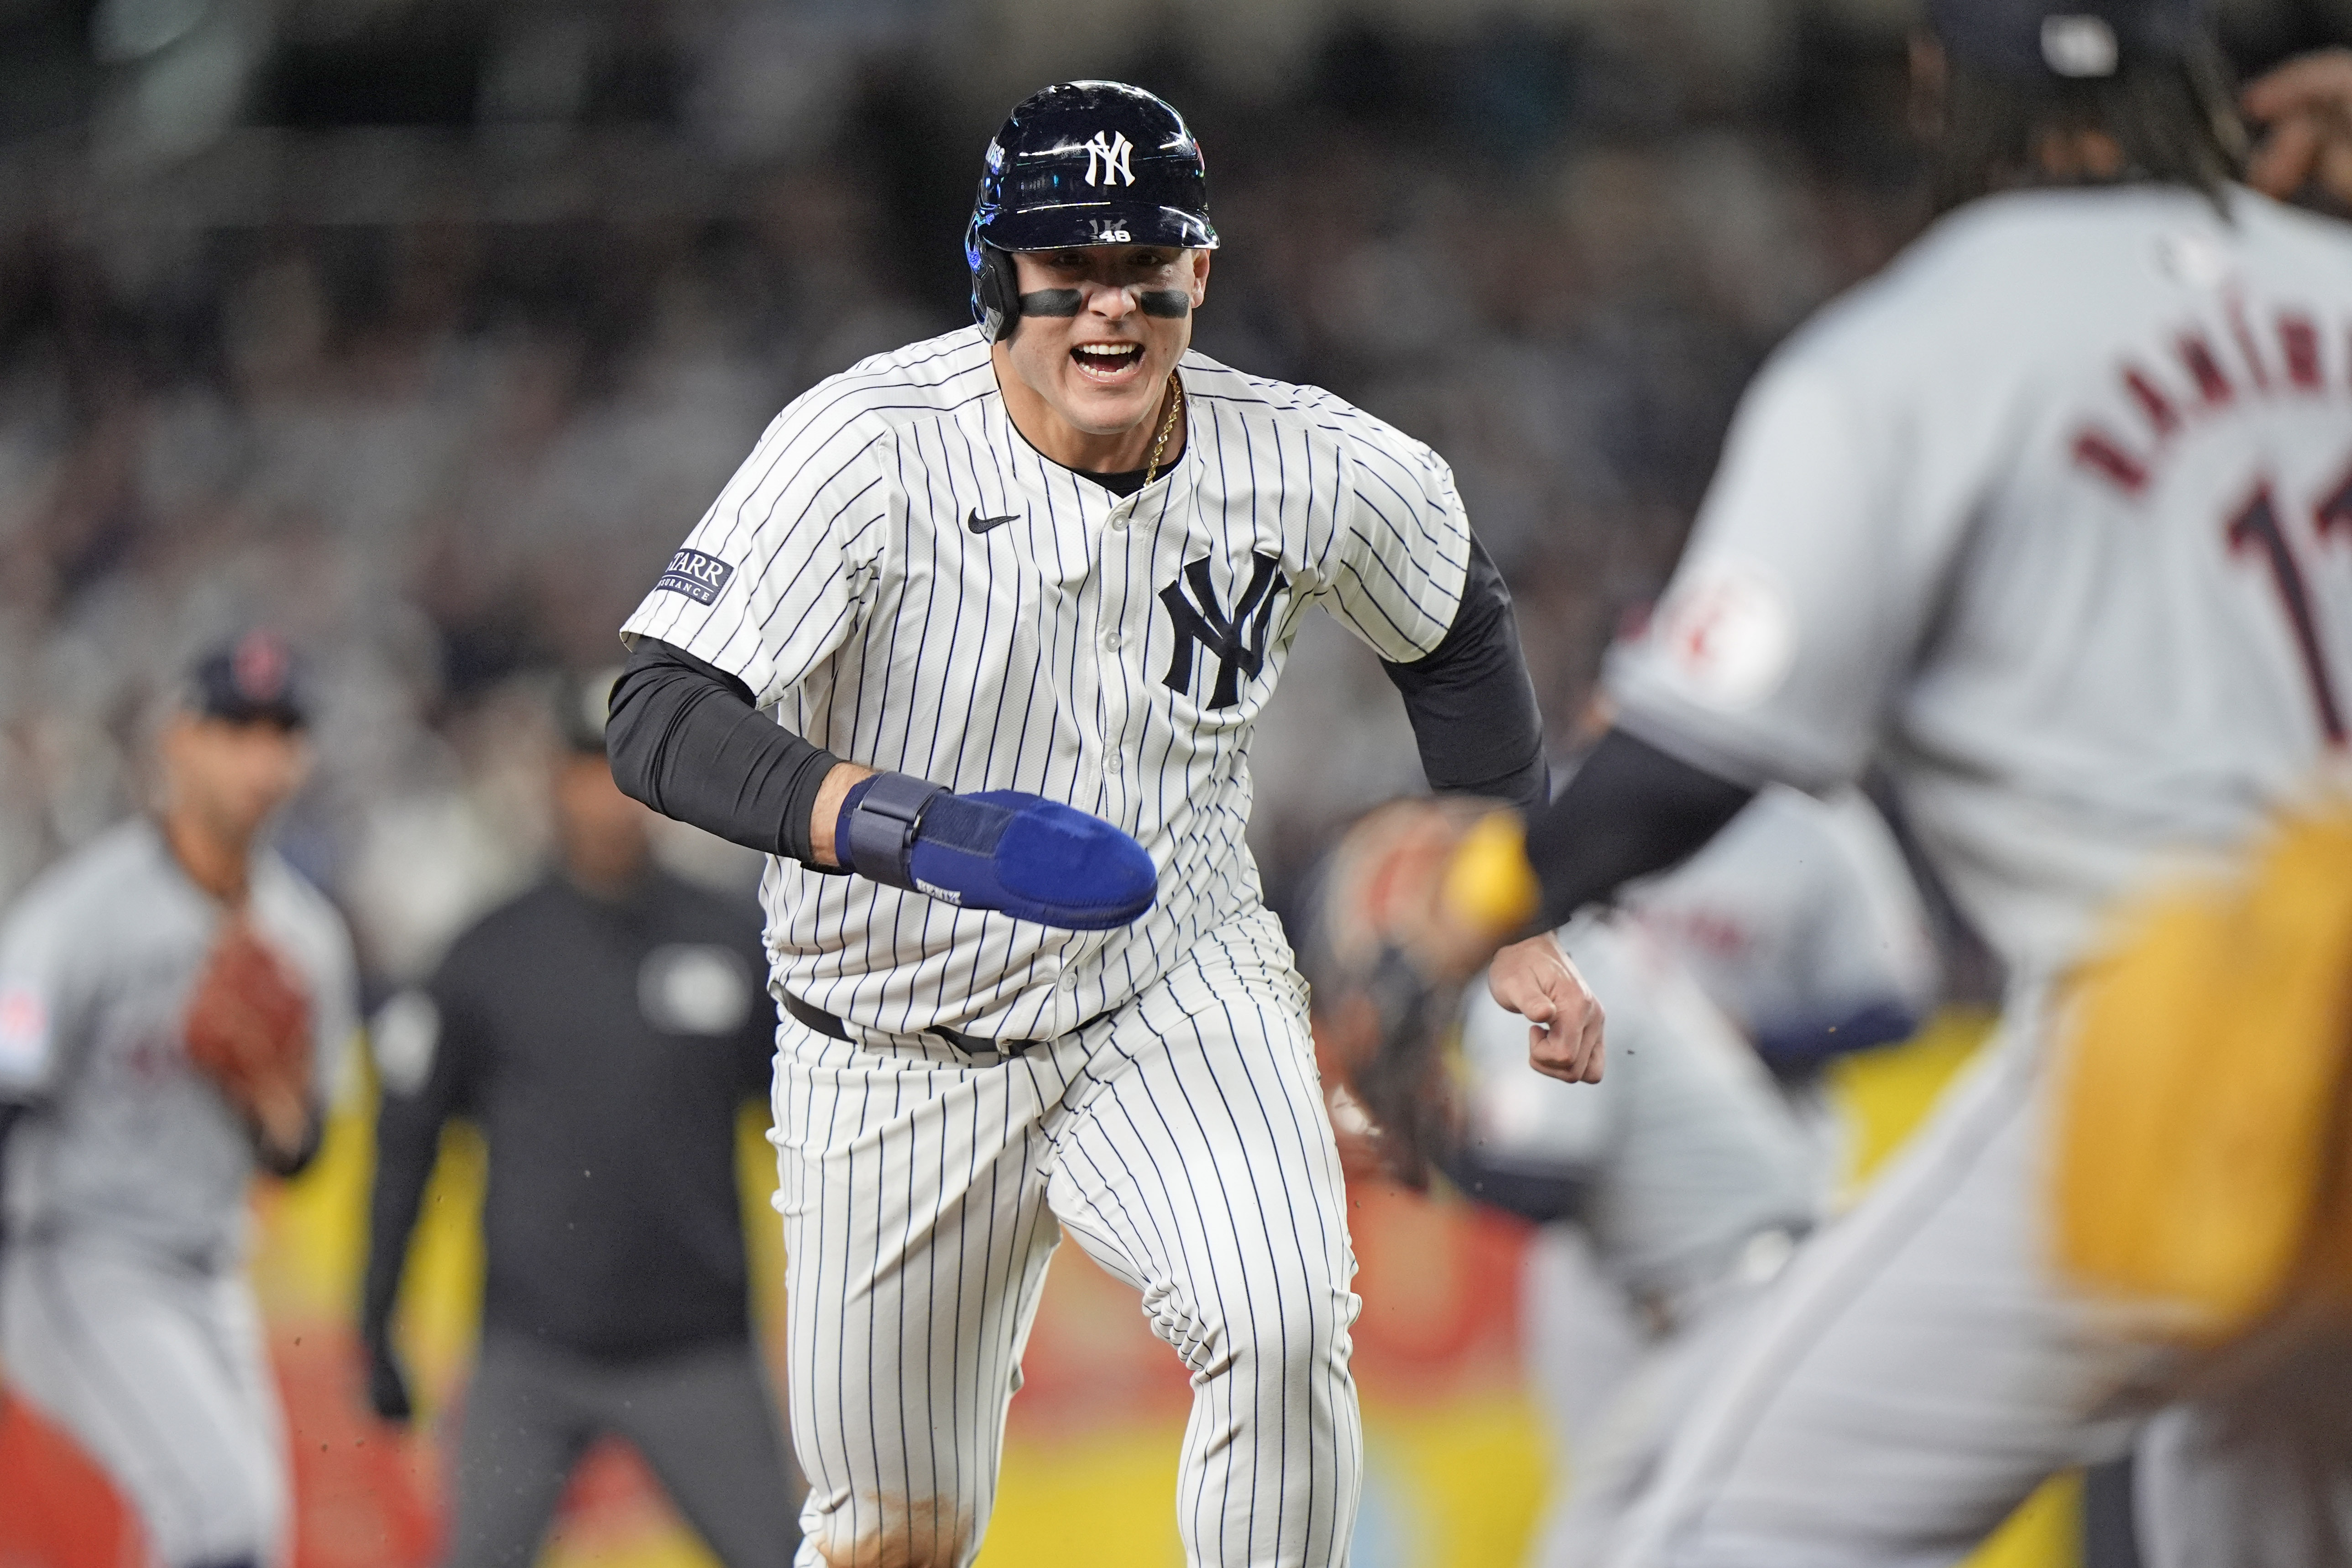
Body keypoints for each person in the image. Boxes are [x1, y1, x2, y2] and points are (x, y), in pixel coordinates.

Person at [1349, 0, 2352, 1561]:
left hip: (2191, 1029)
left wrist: (1455, 913)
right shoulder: (2333, 278)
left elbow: (1680, 766)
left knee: (1695, 1529)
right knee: (2248, 1487)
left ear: (1936, 81)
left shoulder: (1912, 347)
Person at [602, 80, 1601, 1568]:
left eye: (1146, 268)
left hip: (1168, 987)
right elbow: (656, 708)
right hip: (887, 1039)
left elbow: (1451, 621)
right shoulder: (867, 447)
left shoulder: (1306, 461)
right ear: (998, 279)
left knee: (1275, 1324)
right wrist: (899, 822)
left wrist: (1509, 905)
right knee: (892, 1531)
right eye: (1067, 273)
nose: (1109, 311)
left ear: (1198, 271)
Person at [361, 673, 802, 1568]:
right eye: (588, 769)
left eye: (629, 770)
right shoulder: (491, 952)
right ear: (550, 782)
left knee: (789, 1557)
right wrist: (376, 1317)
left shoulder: (724, 937)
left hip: (699, 1350)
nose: (610, 795)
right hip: (531, 1356)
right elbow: (408, 1143)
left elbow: (812, 1131)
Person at [0, 630, 359, 1568]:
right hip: (73, 1257)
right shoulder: (83, 912)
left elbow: (302, 1150)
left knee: (246, 1540)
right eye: (235, 727)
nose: (259, 756)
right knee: (218, 1518)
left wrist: (272, 1100)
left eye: (280, 731)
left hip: (207, 1268)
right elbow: (5, 1079)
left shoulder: (306, 941)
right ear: (179, 740)